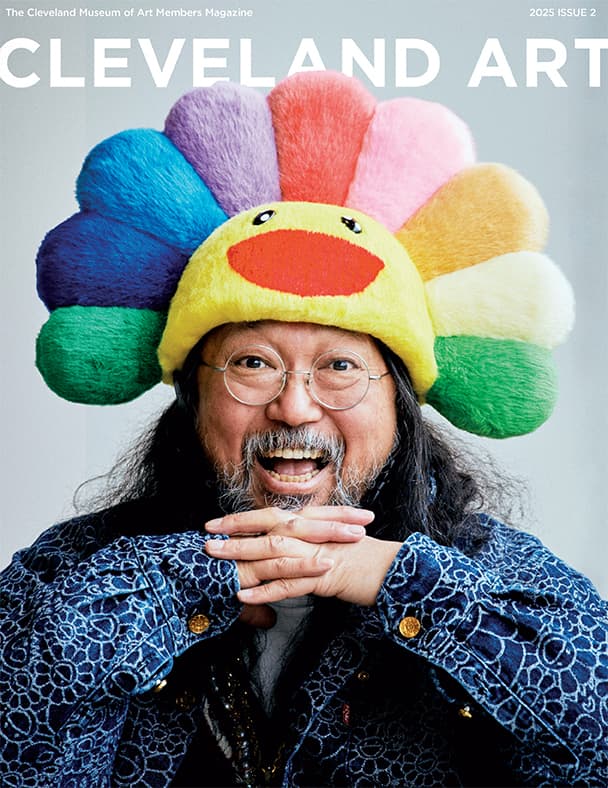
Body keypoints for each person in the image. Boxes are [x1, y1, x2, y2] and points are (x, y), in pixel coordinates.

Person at [1, 72, 606, 787]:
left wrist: (402, 583)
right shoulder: (74, 574)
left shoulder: (497, 576)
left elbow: (592, 728)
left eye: (341, 366)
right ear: (194, 396)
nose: (294, 408)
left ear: (400, 408)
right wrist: (186, 582)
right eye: (252, 363)